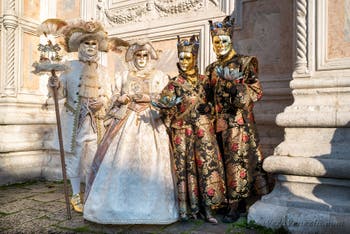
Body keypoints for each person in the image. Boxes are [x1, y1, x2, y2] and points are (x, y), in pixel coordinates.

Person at [83, 41, 179, 224]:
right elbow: (113, 99)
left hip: (151, 121)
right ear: (133, 57)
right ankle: (116, 206)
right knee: (119, 161)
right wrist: (122, 98)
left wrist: (149, 98)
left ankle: (153, 207)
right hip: (126, 122)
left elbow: (166, 99)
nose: (141, 59)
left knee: (152, 163)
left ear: (150, 58)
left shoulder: (159, 76)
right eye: (138, 56)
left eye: (145, 56)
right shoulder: (124, 75)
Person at [153, 35, 226, 224]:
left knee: (206, 167)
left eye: (188, 57)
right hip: (182, 131)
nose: (184, 61)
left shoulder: (205, 81)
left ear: (195, 57)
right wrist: (167, 107)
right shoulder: (173, 83)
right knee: (185, 169)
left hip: (204, 130)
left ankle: (209, 209)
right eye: (181, 57)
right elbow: (166, 106)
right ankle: (187, 209)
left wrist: (208, 109)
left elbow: (216, 103)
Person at [48, 20, 118, 213]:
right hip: (74, 121)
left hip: (96, 121)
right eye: (86, 43)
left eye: (93, 44)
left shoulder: (103, 71)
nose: (90, 47)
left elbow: (109, 94)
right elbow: (59, 95)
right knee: (76, 156)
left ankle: (91, 192)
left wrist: (103, 102)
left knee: (95, 155)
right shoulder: (68, 67)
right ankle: (75, 195)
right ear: (79, 46)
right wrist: (55, 84)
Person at [205, 16, 265, 222]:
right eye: (216, 42)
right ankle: (224, 200)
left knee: (236, 163)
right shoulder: (211, 69)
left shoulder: (244, 62)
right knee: (220, 162)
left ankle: (236, 205)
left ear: (230, 40)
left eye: (223, 41)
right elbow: (207, 95)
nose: (220, 45)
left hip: (238, 124)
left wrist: (237, 89)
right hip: (217, 124)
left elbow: (256, 91)